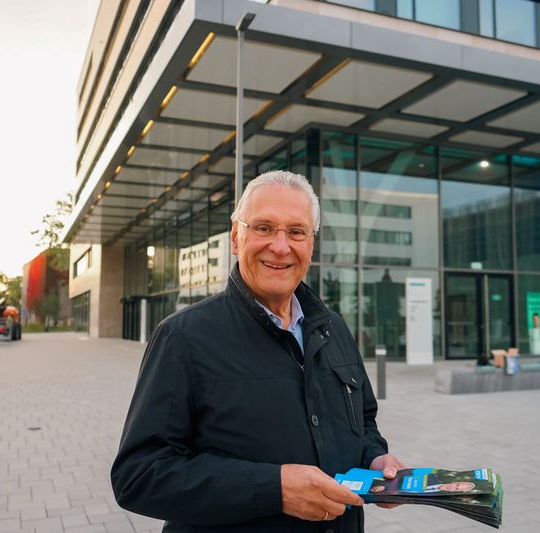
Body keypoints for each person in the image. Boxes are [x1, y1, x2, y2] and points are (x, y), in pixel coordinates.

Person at [111, 171, 403, 532]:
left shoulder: (333, 329)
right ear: (236, 237)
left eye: (296, 232)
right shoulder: (182, 338)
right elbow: (139, 476)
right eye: (264, 228)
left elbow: (364, 422)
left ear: (311, 244)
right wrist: (274, 489)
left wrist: (374, 460)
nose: (281, 247)